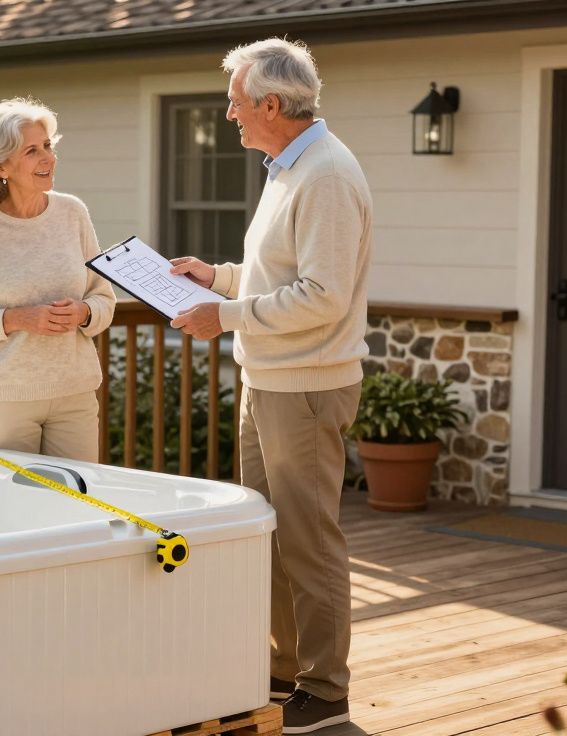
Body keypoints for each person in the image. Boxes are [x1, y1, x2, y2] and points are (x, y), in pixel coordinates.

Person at [169, 39, 372, 734]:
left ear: (273, 105)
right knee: (270, 535)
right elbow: (279, 277)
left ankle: (326, 689)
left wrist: (222, 316)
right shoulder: (287, 169)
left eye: (235, 101)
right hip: (271, 380)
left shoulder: (327, 177)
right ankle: (284, 673)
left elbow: (323, 296)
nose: (229, 112)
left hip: (307, 388)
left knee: (309, 541)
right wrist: (217, 276)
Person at [0, 98, 116, 463]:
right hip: (2, 401)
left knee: (81, 506)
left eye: (47, 146)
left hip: (74, 394)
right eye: (32, 151)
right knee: (15, 511)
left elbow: (104, 300)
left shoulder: (73, 214)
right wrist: (16, 319)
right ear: (1, 165)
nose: (48, 158)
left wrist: (83, 313)